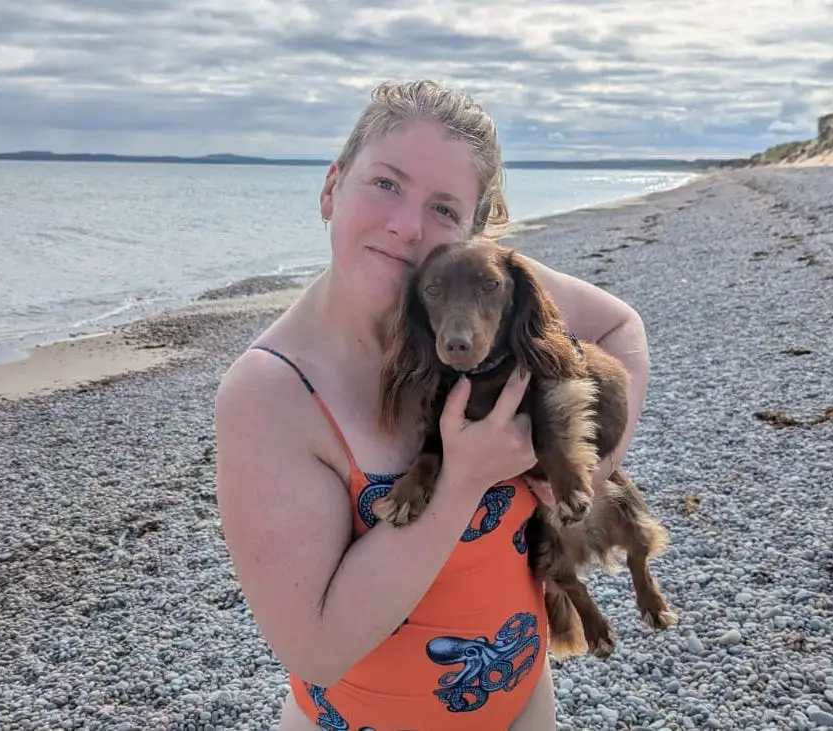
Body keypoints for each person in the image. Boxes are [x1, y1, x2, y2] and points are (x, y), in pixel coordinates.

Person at [214, 79, 650, 731]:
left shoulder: (488, 289)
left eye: (443, 209)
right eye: (385, 183)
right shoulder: (269, 393)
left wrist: (579, 471)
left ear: (473, 233)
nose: (405, 225)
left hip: (524, 705)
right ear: (332, 187)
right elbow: (315, 649)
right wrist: (464, 481)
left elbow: (622, 330)